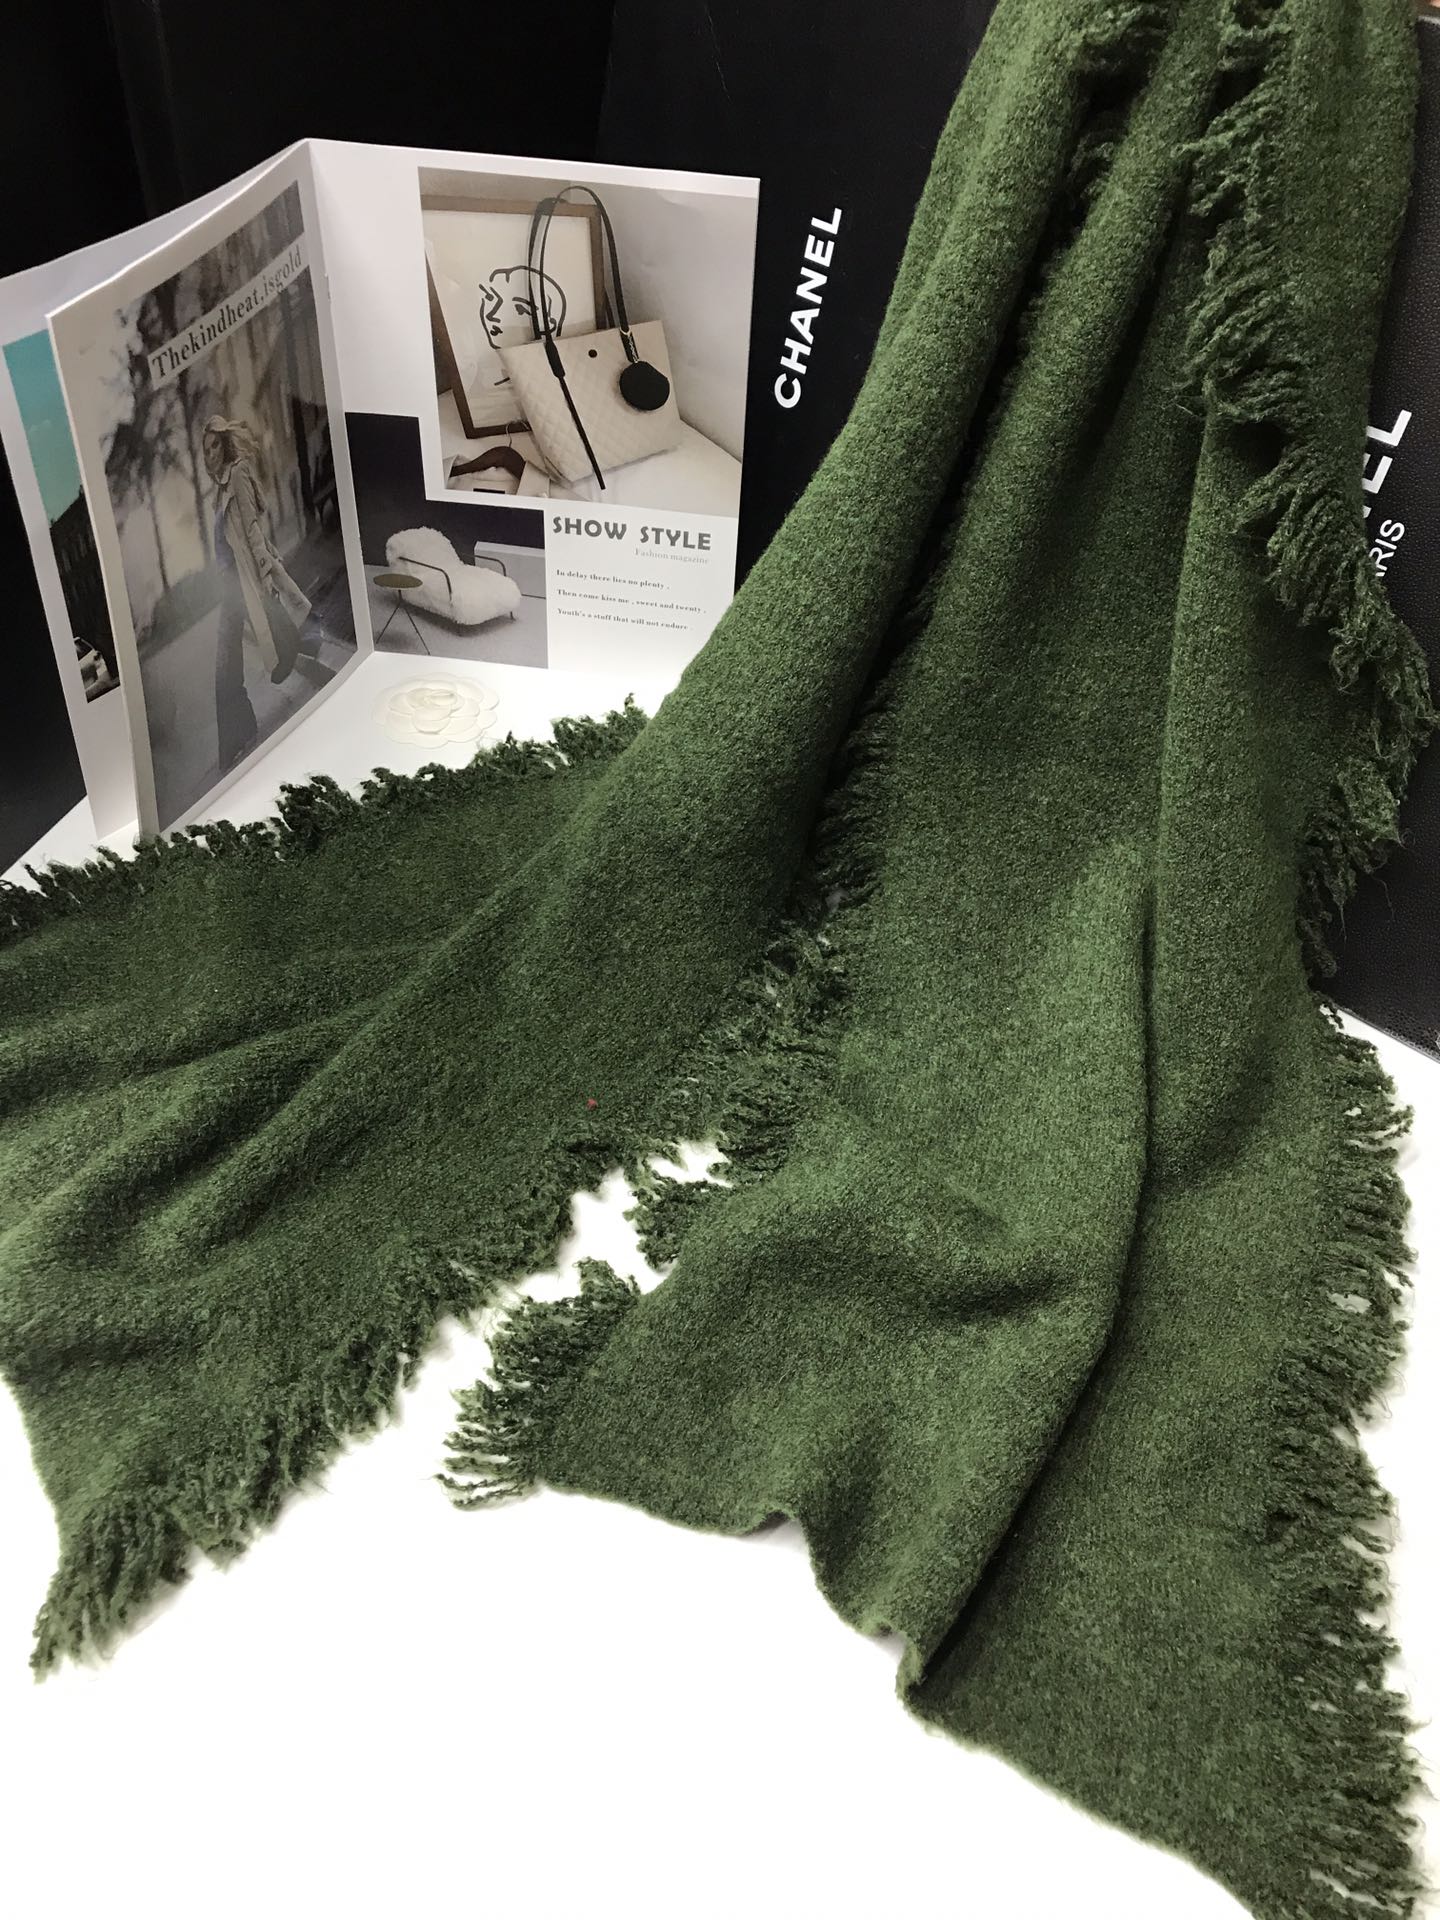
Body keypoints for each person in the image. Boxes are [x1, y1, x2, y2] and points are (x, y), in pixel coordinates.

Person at [202, 415, 312, 771]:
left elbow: (251, 529)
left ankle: (237, 732)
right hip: (229, 584)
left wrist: (264, 572)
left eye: (215, 445)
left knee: (225, 660)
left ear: (225, 444)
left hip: (242, 580)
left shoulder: (237, 474)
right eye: (205, 450)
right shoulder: (219, 492)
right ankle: (240, 727)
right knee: (235, 653)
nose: (210, 454)